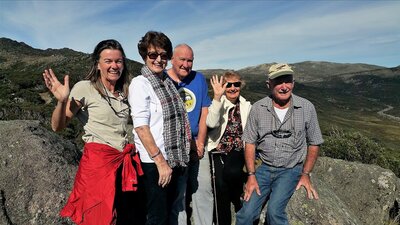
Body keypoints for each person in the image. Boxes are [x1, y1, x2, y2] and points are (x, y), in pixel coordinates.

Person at [42, 39, 144, 225]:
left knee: (124, 217)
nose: (114, 66)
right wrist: (62, 101)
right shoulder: (85, 88)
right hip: (98, 165)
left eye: (118, 61)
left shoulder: (124, 91)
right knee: (97, 218)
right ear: (98, 64)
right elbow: (58, 126)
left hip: (122, 164)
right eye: (108, 61)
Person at [235, 63, 324, 225]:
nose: (284, 86)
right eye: (278, 82)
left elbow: (314, 142)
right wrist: (251, 175)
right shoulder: (258, 108)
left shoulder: (306, 108)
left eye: (287, 81)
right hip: (263, 168)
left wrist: (305, 174)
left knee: (275, 213)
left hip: (290, 170)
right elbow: (249, 142)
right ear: (269, 85)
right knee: (245, 215)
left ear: (293, 83)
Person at [128, 31, 192, 225]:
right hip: (155, 163)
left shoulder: (167, 82)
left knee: (167, 213)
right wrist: (160, 162)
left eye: (163, 55)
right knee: (157, 216)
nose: (158, 59)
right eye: (153, 55)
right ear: (144, 56)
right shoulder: (140, 84)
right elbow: (141, 128)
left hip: (173, 159)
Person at [166, 44, 212, 225]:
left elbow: (203, 112)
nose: (186, 64)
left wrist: (199, 143)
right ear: (172, 59)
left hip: (198, 144)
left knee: (204, 191)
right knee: (179, 194)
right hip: (175, 146)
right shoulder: (163, 80)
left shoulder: (199, 79)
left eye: (190, 60)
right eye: (182, 60)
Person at [206, 71, 252, 225]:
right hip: (218, 151)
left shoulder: (246, 106)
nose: (233, 88)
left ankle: (238, 199)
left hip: (238, 151)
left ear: (241, 85)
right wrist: (217, 98)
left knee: (230, 173)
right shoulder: (217, 103)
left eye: (236, 84)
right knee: (220, 187)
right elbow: (211, 124)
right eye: (228, 85)